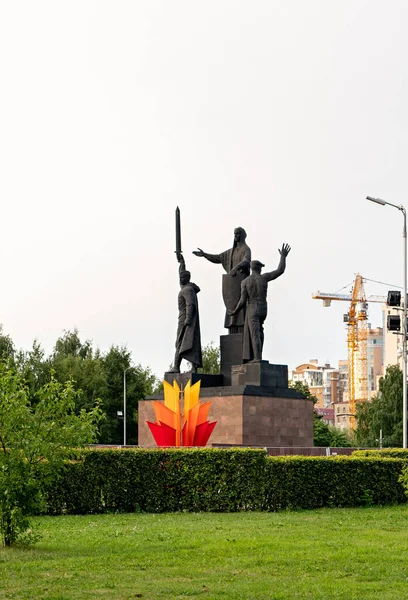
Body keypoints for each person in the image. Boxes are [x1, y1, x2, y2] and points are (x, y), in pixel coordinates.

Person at [229, 243, 291, 362]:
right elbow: (280, 270)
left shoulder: (245, 282)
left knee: (255, 333)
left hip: (252, 307)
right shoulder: (264, 278)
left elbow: (242, 301)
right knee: (260, 330)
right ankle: (259, 355)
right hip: (263, 308)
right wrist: (283, 256)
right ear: (259, 268)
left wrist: (234, 311)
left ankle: (257, 357)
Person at [193, 227, 251, 333]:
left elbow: (247, 261)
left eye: (237, 234)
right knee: (232, 312)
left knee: (242, 312)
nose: (235, 236)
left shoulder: (245, 250)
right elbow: (218, 258)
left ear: (242, 235)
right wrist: (205, 255)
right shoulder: (231, 252)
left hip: (242, 286)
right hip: (232, 288)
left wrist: (237, 267)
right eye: (234, 234)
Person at [168, 253, 202, 373]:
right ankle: (189, 367)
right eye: (180, 277)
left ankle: (177, 367)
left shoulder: (187, 290)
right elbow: (181, 273)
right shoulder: (186, 287)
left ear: (187, 279)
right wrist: (182, 262)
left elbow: (190, 304)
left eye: (182, 278)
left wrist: (188, 318)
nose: (180, 279)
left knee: (181, 341)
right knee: (186, 341)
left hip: (185, 319)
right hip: (184, 318)